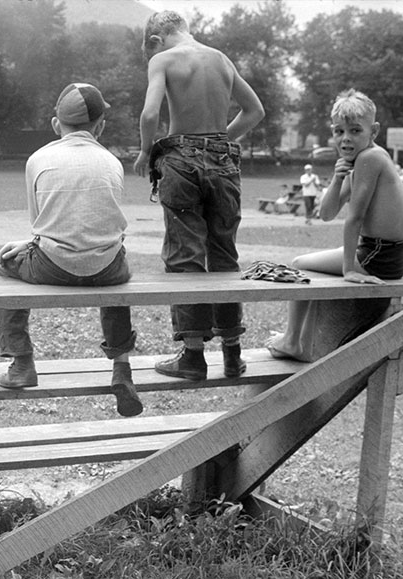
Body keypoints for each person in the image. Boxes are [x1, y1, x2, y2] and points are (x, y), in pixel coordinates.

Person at [0, 82, 143, 417]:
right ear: (100, 127)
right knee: (116, 273)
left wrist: (29, 246)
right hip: (107, 269)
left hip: (51, 265)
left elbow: (39, 225)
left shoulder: (38, 158)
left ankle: (22, 363)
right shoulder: (113, 162)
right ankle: (122, 369)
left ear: (57, 125)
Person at [133, 10, 265, 381]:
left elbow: (148, 115)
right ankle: (232, 354)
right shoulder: (221, 59)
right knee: (224, 252)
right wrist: (219, 141)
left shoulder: (163, 59)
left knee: (185, 254)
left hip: (181, 163)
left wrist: (146, 151)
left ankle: (192, 356)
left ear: (156, 41)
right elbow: (255, 111)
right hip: (223, 158)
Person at [268, 89, 403, 359]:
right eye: (339, 131)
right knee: (308, 267)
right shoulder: (358, 160)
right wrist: (337, 178)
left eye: (355, 131)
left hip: (379, 254)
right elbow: (326, 213)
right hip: (386, 251)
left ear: (374, 131)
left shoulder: (371, 158)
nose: (345, 138)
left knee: (299, 265)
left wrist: (349, 270)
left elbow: (354, 217)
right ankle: (300, 342)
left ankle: (293, 341)